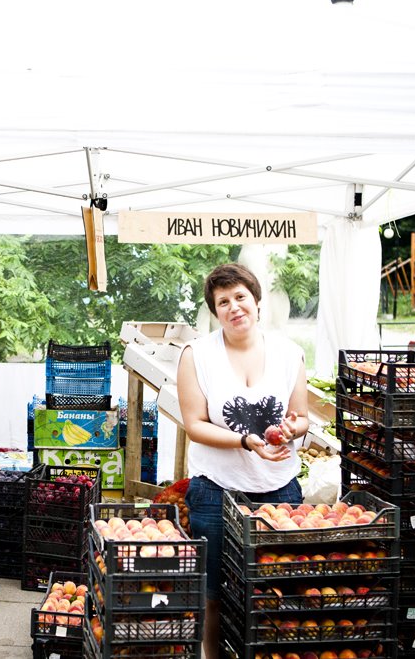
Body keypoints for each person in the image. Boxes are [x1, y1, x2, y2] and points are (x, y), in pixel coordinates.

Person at [177, 262, 309, 659]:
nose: (234, 307)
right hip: (216, 491)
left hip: (280, 490)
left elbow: (301, 416)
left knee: (275, 590)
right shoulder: (196, 355)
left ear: (256, 301)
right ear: (214, 311)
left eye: (240, 297)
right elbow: (194, 424)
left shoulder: (289, 353)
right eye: (223, 302)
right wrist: (245, 441)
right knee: (214, 593)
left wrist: (289, 429)